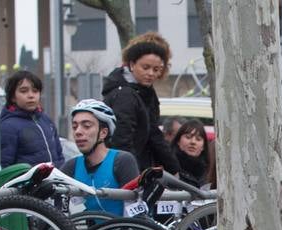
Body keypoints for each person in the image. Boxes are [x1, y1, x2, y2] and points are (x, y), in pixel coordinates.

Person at [103, 32, 178, 172]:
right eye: (146, 67)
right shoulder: (126, 94)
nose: (151, 73)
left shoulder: (144, 91)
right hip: (131, 170)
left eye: (156, 69)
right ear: (132, 64)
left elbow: (153, 135)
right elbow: (123, 140)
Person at [59, 99, 138, 217]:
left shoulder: (122, 161)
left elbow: (136, 209)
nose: (78, 132)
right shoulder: (71, 167)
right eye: (75, 127)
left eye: (86, 126)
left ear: (103, 133)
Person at [0, 69, 63, 166]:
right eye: (24, 91)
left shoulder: (46, 120)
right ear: (13, 97)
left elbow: (59, 155)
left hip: (55, 179)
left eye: (35, 91)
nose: (31, 95)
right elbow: (5, 166)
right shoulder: (8, 126)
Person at [171, 118, 214, 187]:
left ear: (203, 147)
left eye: (198, 139)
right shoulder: (169, 168)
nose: (193, 142)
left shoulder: (208, 171)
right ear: (178, 141)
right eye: (188, 137)